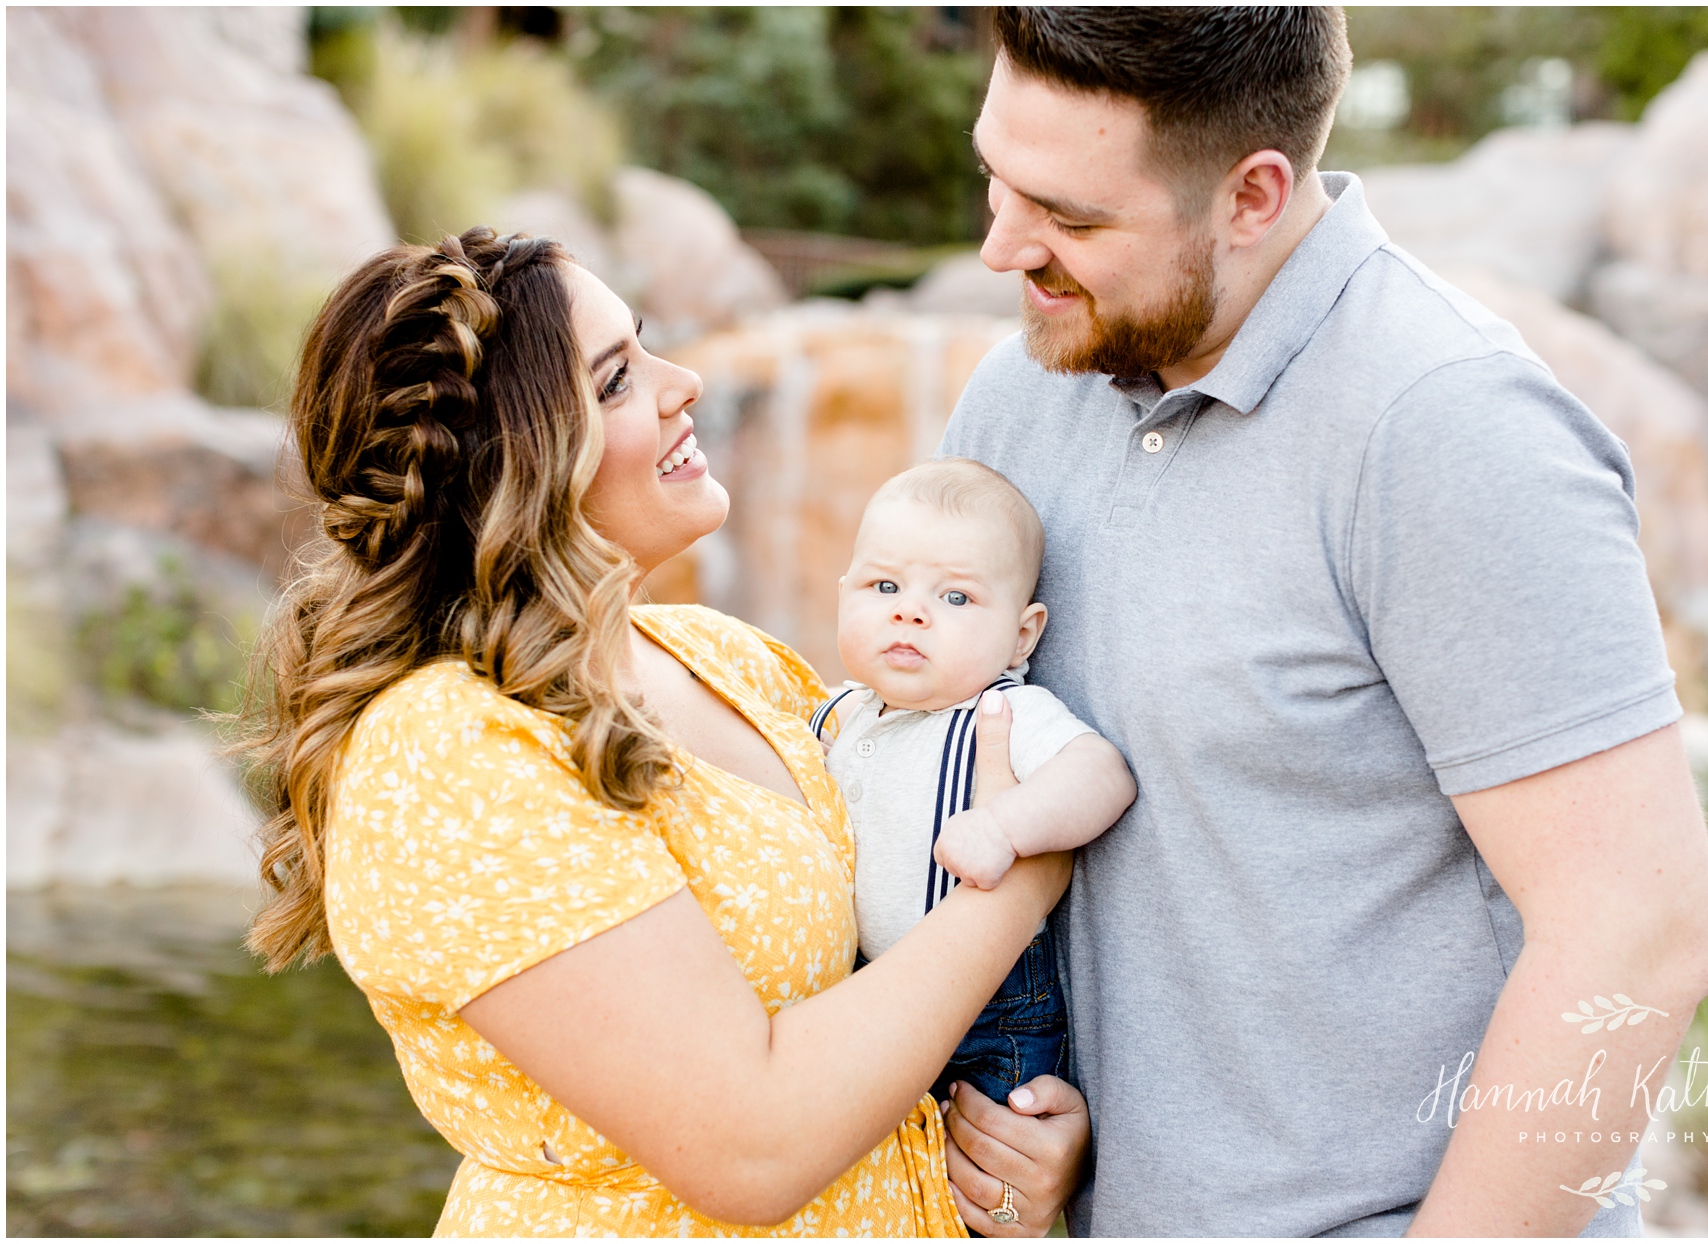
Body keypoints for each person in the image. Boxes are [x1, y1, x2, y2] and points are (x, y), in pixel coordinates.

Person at [937, 7, 1708, 1236]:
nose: (999, 246)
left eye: (1071, 217)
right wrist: (1031, 1123)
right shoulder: (1017, 397)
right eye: (993, 176)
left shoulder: (1452, 428)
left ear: (1253, 195)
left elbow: (1638, 936)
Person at [237, 227, 1084, 1237]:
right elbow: (753, 1145)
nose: (682, 382)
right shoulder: (446, 751)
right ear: (518, 458)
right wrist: (1029, 868)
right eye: (617, 379)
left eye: (646, 345)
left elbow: (879, 985)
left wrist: (1008, 1144)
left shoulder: (721, 655)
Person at [817, 458, 1137, 1109]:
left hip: (988, 1017)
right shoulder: (844, 712)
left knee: (979, 1170)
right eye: (883, 588)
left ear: (1021, 636)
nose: (910, 613)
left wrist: (1004, 825)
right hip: (875, 997)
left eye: (954, 598)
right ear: (842, 594)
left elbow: (1103, 775)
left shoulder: (1004, 710)